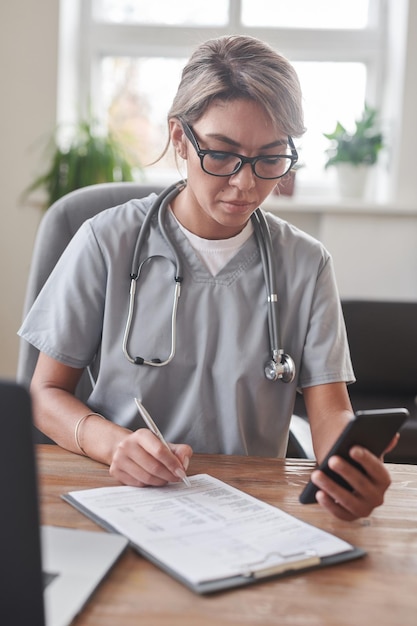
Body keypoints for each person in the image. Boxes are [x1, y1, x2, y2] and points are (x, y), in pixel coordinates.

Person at [19, 35, 396, 521]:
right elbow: (44, 393)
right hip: (121, 497)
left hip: (254, 510)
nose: (247, 183)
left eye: (270, 157)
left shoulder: (306, 264)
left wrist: (345, 470)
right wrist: (112, 443)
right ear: (180, 139)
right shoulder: (105, 242)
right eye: (222, 154)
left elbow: (329, 411)